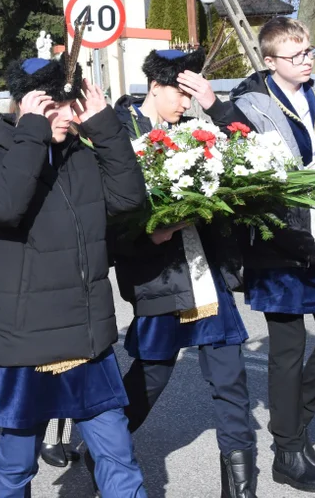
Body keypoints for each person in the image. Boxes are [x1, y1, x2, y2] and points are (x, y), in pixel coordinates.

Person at [0, 56, 149, 498]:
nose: (68, 116)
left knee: (119, 456)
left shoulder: (79, 159)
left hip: (86, 341)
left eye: (73, 104)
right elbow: (1, 207)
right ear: (26, 105)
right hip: (23, 346)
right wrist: (31, 132)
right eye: (56, 106)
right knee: (16, 464)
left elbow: (129, 201)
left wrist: (103, 126)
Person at [213, 17, 315, 493]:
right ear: (271, 61)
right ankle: (289, 451)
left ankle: (294, 423)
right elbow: (250, 179)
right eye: (296, 55)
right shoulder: (253, 106)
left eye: (309, 51)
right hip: (281, 246)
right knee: (287, 352)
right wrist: (304, 245)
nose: (307, 60)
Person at [111, 49, 256, 497]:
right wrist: (145, 232)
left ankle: (240, 490)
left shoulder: (195, 129)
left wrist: (214, 105)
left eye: (191, 92)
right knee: (150, 379)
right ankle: (104, 449)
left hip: (206, 276)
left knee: (231, 381)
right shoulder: (120, 133)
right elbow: (107, 211)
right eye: (180, 91)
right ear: (155, 87)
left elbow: (249, 148)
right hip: (159, 279)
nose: (185, 101)